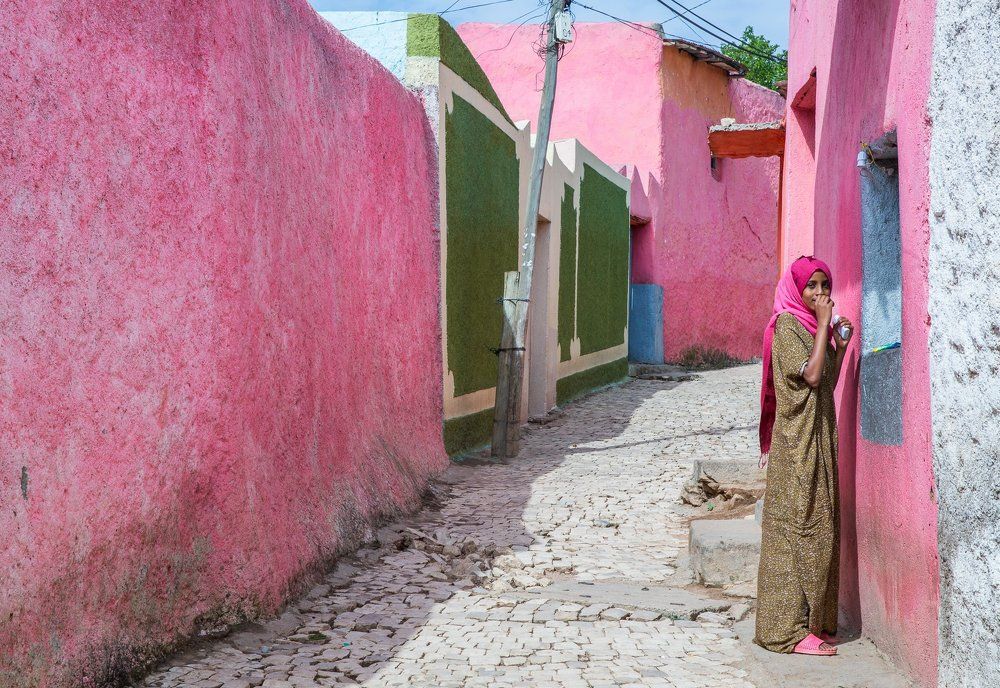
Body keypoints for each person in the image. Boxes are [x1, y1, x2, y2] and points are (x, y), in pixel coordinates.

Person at [754, 256, 853, 656]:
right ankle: (786, 630)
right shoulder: (788, 327)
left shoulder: (813, 329)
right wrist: (825, 330)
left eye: (824, 286)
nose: (818, 293)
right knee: (796, 528)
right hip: (796, 448)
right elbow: (810, 376)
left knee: (822, 525)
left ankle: (812, 620)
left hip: (819, 440)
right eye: (810, 286)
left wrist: (840, 347)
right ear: (796, 289)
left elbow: (825, 378)